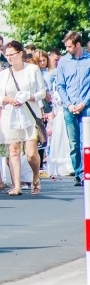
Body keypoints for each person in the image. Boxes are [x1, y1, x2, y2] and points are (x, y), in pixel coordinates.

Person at [0, 40, 47, 196]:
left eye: (12, 54)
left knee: (31, 153)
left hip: (29, 115)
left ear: (20, 53)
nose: (9, 58)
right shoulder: (4, 74)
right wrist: (9, 100)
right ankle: (16, 185)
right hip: (11, 115)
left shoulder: (32, 69)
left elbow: (42, 92)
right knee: (14, 151)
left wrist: (29, 96)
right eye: (7, 55)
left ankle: (35, 176)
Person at [55, 31, 90, 186]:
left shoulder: (89, 60)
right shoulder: (63, 62)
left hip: (86, 106)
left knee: (87, 141)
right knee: (74, 142)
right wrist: (69, 104)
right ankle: (79, 173)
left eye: (69, 46)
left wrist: (84, 103)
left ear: (77, 45)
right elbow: (60, 86)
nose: (67, 49)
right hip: (69, 107)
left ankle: (86, 172)